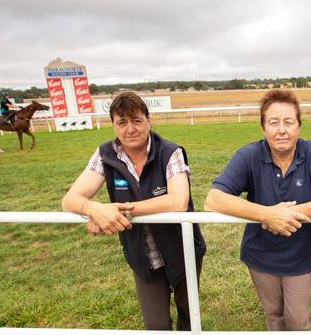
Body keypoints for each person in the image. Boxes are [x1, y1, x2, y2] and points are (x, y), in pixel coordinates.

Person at [204, 89, 311, 331]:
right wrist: (267, 214)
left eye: (289, 122)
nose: (282, 130)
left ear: (299, 125)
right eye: (273, 122)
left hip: (299, 257)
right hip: (259, 255)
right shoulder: (249, 155)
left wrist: (291, 214)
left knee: (298, 321)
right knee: (274, 316)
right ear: (263, 127)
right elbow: (214, 200)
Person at [61, 91, 206, 330]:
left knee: (189, 317)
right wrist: (95, 209)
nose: (131, 129)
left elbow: (178, 201)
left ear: (149, 121)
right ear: (113, 126)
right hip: (142, 256)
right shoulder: (105, 155)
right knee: (156, 325)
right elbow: (70, 199)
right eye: (122, 122)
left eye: (137, 120)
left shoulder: (170, 152)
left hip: (182, 249)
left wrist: (120, 212)